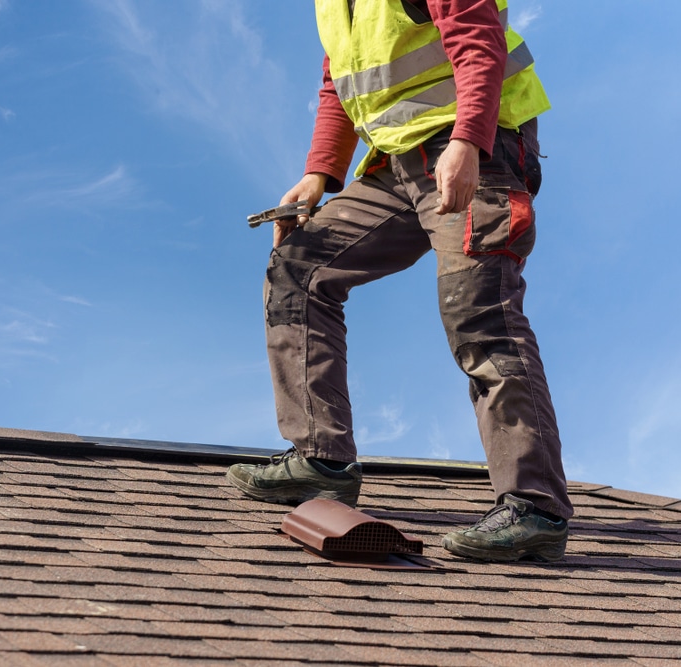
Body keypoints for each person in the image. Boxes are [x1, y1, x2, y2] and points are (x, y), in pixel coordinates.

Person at [226, 0, 574, 562]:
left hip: (476, 151)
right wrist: (318, 174)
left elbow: (479, 41)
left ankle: (536, 508)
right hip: (399, 168)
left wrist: (468, 139)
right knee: (299, 267)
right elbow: (338, 83)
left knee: (478, 310)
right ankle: (321, 459)